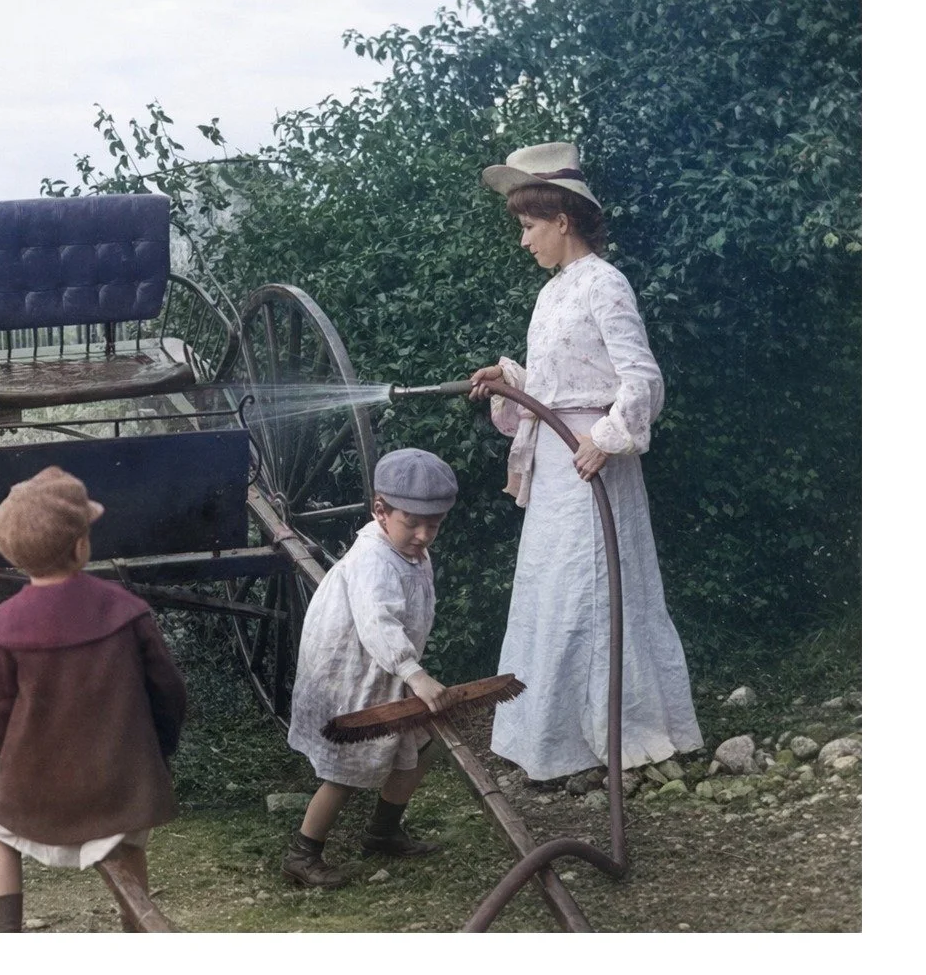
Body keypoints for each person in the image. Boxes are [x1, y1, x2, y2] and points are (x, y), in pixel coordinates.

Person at [470, 142, 703, 784]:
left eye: (528, 227)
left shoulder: (605, 283)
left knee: (592, 592)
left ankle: (612, 742)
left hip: (594, 464)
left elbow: (640, 378)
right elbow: (560, 379)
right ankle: (554, 742)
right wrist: (512, 379)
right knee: (553, 593)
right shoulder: (552, 294)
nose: (523, 243)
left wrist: (606, 436)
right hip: (555, 467)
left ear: (562, 220)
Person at [0, 466, 187, 933]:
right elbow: (169, 693)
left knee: (0, 834)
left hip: (35, 791)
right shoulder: (125, 612)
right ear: (81, 545)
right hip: (120, 782)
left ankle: (6, 936)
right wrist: (157, 752)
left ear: (11, 552)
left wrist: (13, 761)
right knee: (128, 843)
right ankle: (137, 929)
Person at [281, 448, 457, 889]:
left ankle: (382, 832)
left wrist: (406, 668)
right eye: (411, 523)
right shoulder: (374, 559)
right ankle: (303, 852)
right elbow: (378, 621)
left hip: (387, 671)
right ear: (380, 510)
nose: (422, 535)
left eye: (432, 526)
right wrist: (413, 672)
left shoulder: (412, 551)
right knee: (346, 768)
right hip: (351, 674)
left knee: (418, 744)